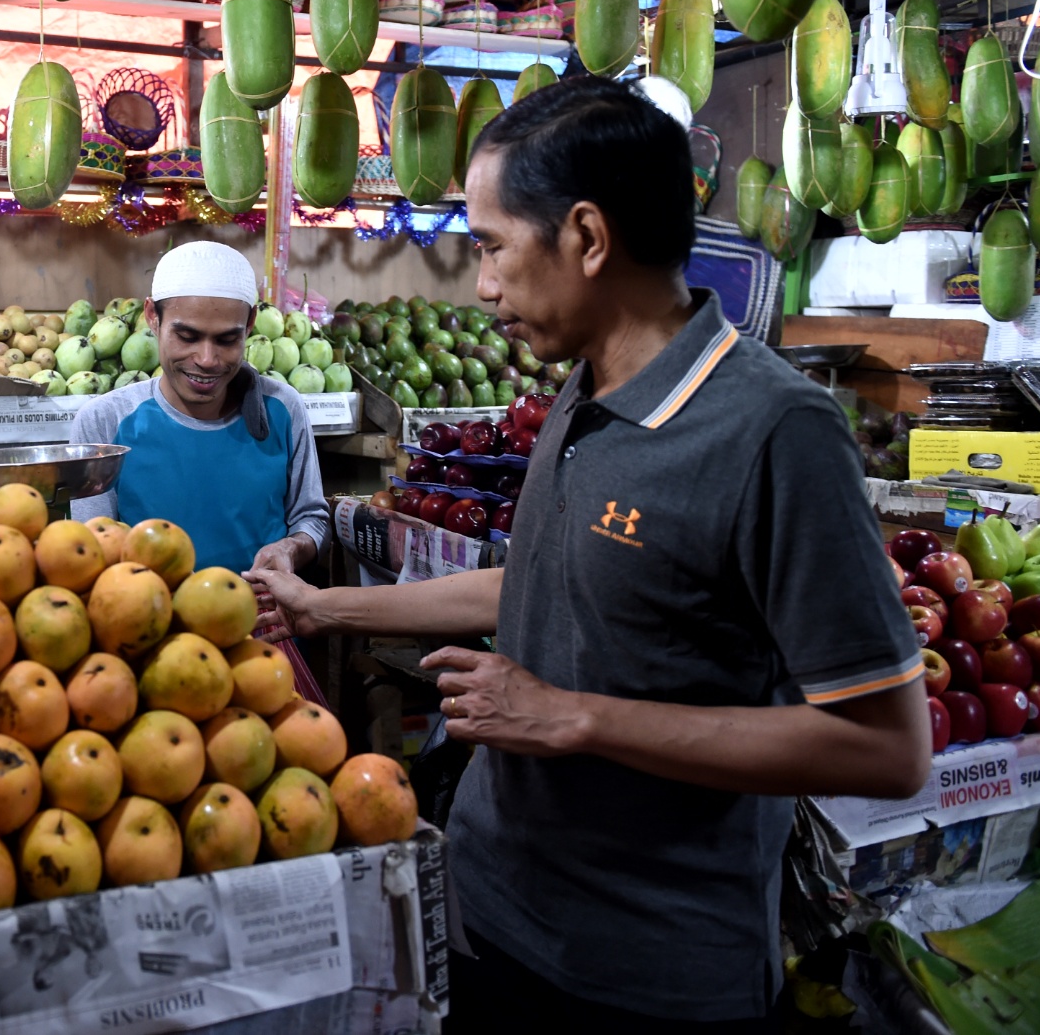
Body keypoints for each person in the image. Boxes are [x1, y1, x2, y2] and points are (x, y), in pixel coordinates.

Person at [248, 77, 929, 1031]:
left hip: (644, 975)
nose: (481, 285)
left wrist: (573, 716)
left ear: (588, 238)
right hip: (495, 915)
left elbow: (888, 747)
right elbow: (541, 574)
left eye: (491, 247)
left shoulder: (777, 433)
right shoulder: (585, 386)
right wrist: (328, 611)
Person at [69, 240, 327, 581]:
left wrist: (292, 547)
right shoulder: (105, 422)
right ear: (152, 317)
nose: (206, 360)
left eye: (226, 340)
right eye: (187, 336)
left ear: (250, 323)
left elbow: (311, 517)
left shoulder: (282, 408)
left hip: (263, 622)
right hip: (151, 624)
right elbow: (92, 552)